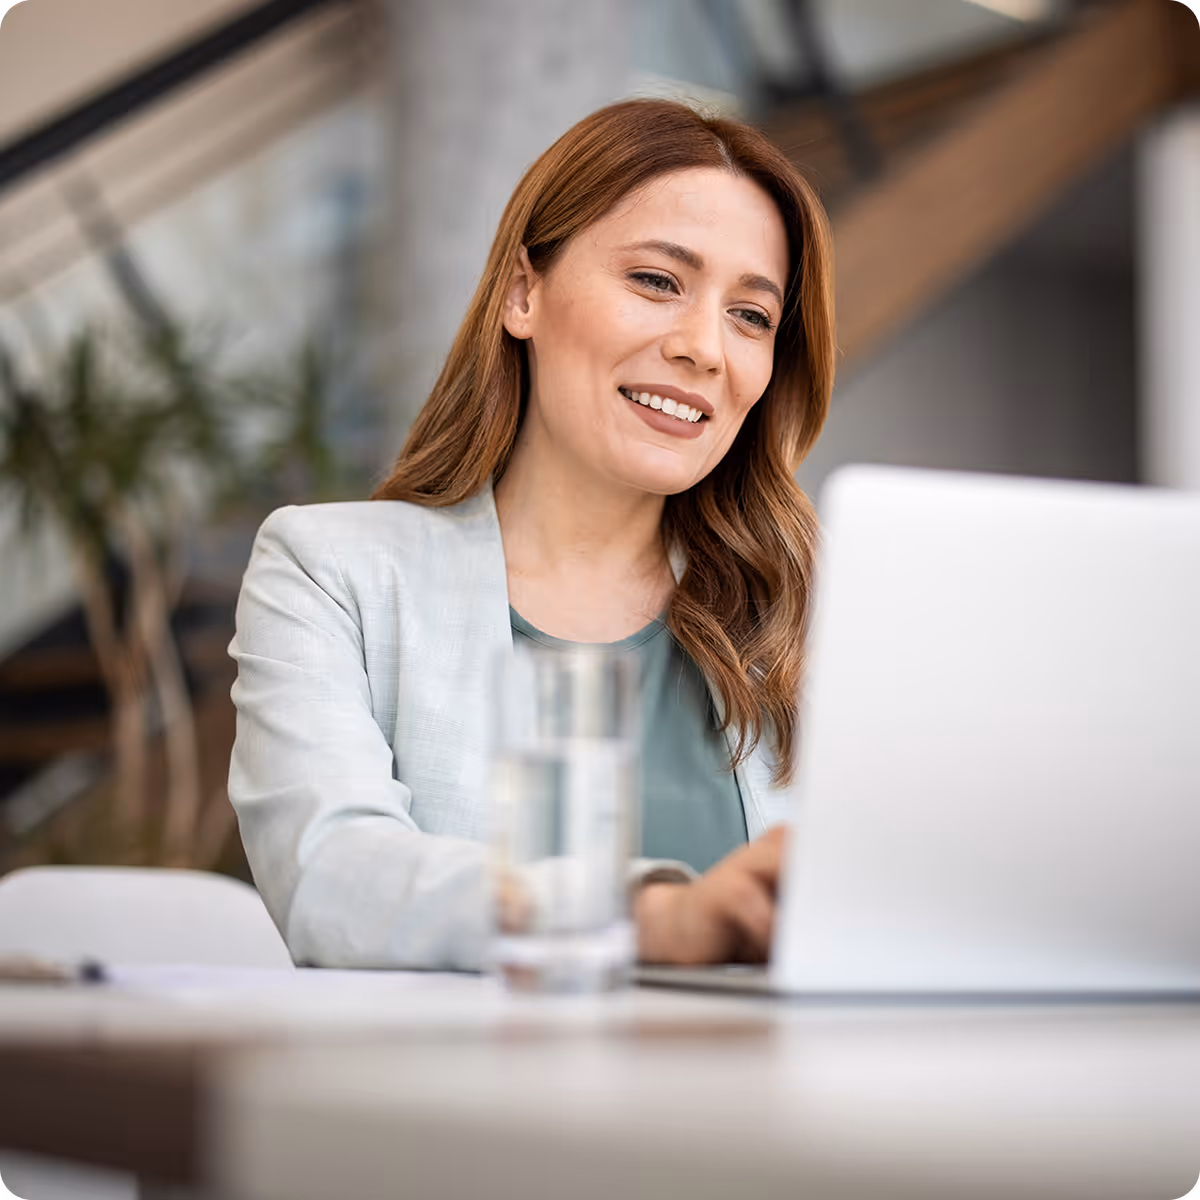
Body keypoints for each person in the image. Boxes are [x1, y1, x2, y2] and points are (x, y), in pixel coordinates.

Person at [228, 98, 835, 971]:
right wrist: (652, 920)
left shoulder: (811, 618)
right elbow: (332, 877)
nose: (705, 348)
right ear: (523, 292)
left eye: (752, 316)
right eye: (657, 281)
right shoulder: (331, 572)